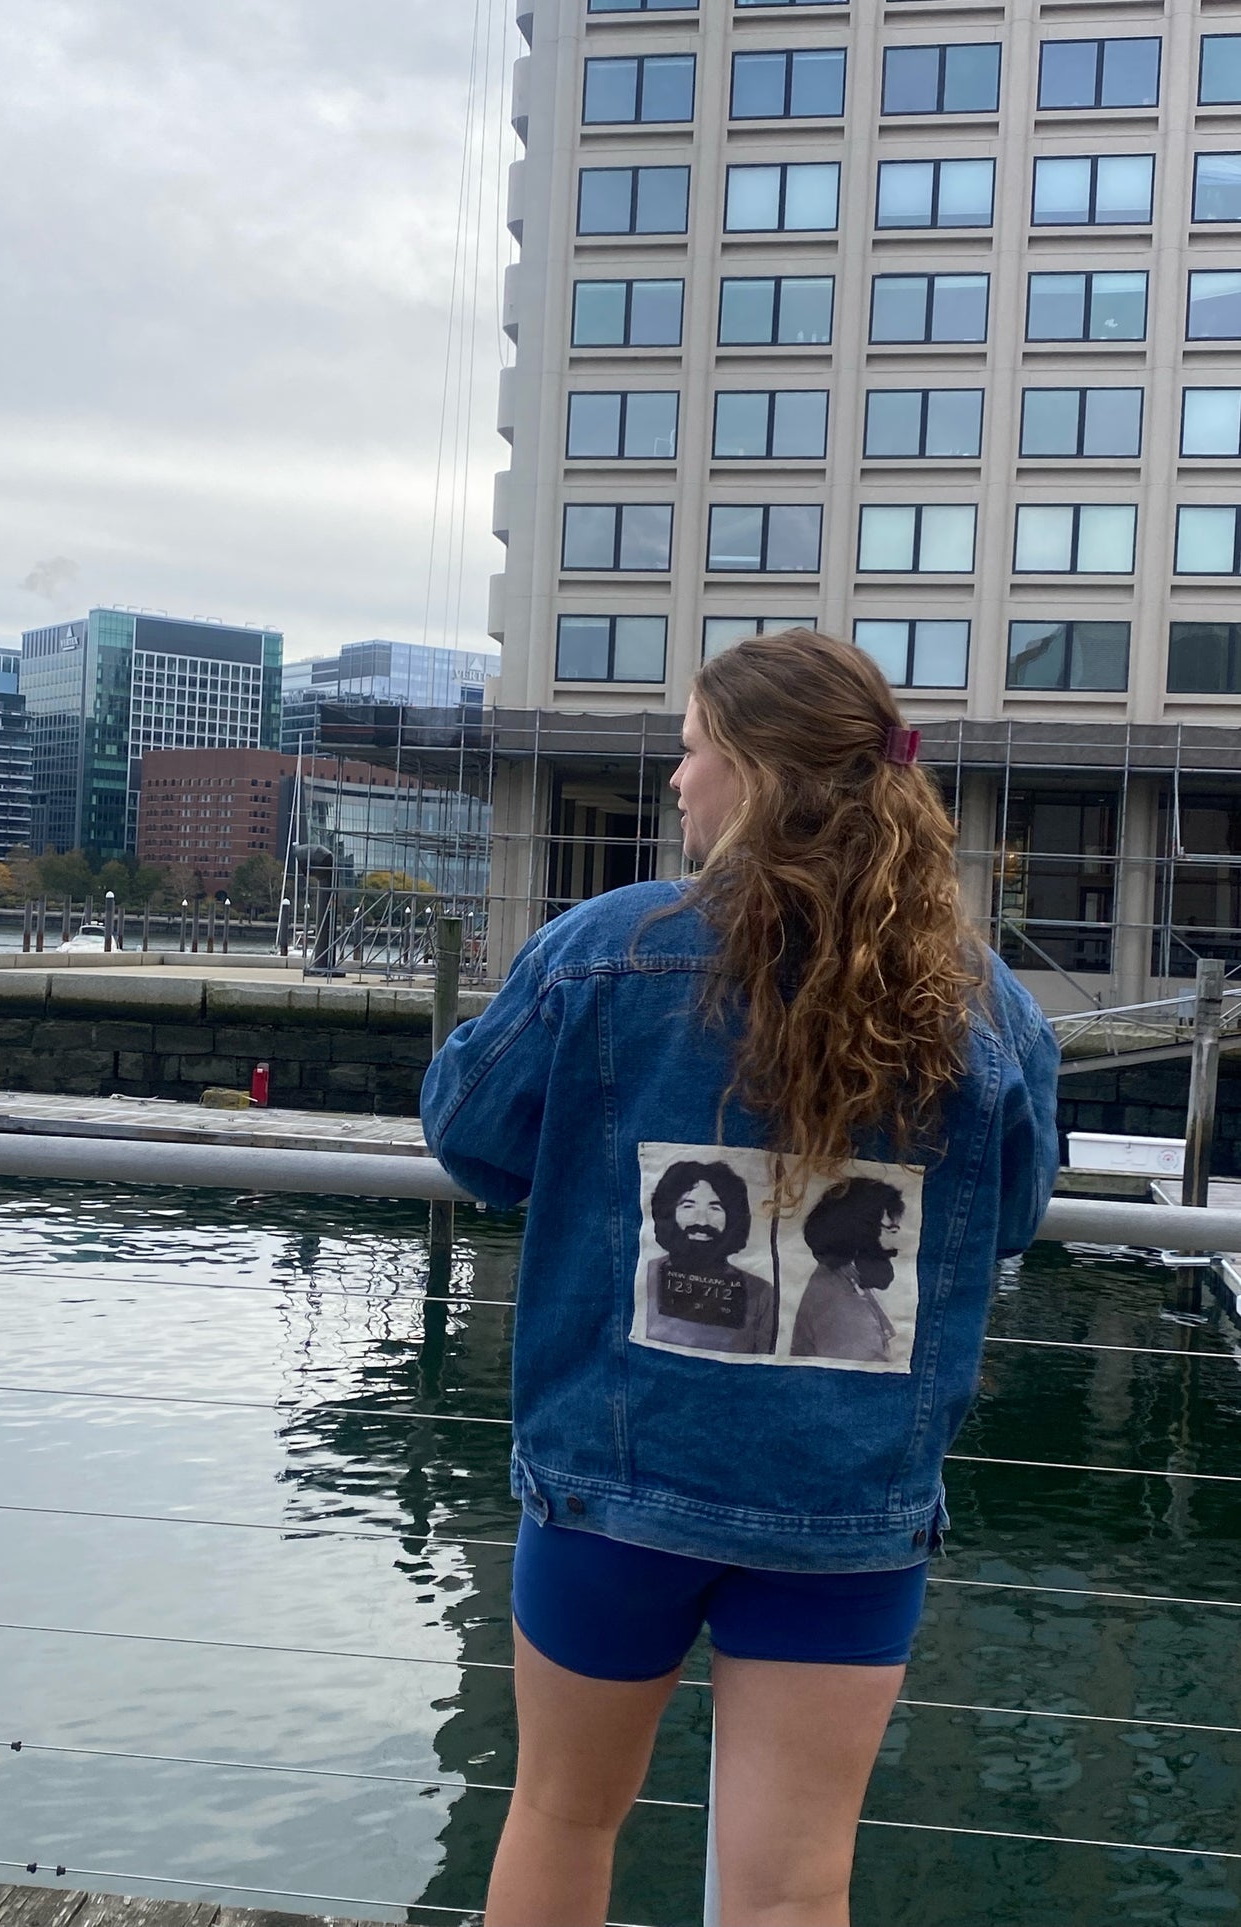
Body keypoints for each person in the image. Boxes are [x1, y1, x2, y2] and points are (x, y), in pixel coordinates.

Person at [421, 629, 1059, 1927]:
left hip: (619, 1482)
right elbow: (1008, 1215)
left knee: (562, 1811)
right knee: (791, 1883)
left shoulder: (606, 946)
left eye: (691, 747)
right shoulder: (984, 1001)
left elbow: (470, 1135)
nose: (672, 779)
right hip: (846, 1498)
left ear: (755, 773)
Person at [644, 1156, 777, 1354]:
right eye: (688, 1206)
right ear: (669, 1212)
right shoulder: (646, 1275)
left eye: (715, 1208)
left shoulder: (761, 1293)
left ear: (733, 1216)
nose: (702, 1221)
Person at [790, 1177, 907, 1364]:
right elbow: (863, 1382)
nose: (897, 1245)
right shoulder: (841, 1303)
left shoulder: (842, 1281)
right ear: (858, 1232)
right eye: (891, 1230)